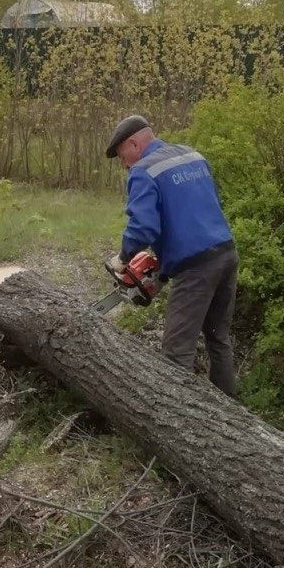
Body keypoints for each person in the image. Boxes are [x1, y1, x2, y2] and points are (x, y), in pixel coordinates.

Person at [106, 114, 238, 396]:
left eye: (122, 157)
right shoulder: (192, 155)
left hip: (195, 268)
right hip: (226, 253)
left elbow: (142, 227)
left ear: (133, 144)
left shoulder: (144, 170)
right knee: (218, 338)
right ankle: (232, 413)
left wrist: (123, 257)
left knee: (176, 353)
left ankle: (177, 425)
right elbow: (196, 208)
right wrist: (163, 267)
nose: (124, 165)